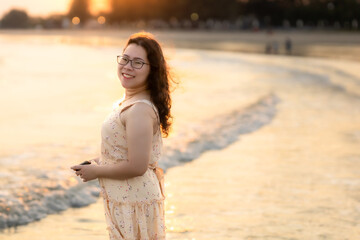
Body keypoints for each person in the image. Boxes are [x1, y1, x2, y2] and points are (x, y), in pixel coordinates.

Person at [70, 31, 174, 239]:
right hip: (127, 198)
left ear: (151, 70)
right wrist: (95, 163)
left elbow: (137, 166)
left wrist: (98, 172)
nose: (127, 66)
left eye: (137, 62)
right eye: (125, 59)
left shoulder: (139, 110)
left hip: (135, 199)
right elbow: (123, 152)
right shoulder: (129, 103)